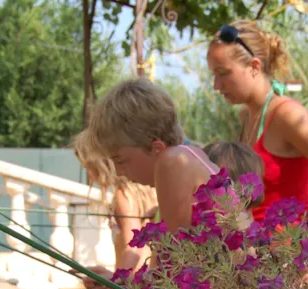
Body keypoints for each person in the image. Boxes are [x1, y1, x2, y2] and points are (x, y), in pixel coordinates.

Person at [207, 20, 308, 240]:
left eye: (223, 73)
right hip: (256, 262)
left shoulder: (286, 115)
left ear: (254, 67)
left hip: (291, 263)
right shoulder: (246, 117)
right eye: (213, 74)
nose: (216, 85)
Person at [87, 78, 219, 233]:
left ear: (155, 148)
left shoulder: (172, 162)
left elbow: (175, 249)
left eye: (120, 160)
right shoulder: (192, 154)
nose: (118, 172)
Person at [72, 130, 156, 273]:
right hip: (144, 279)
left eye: (88, 168)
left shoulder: (123, 195)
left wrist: (117, 286)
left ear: (100, 165)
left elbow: (133, 246)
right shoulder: (141, 190)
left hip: (134, 284)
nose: (89, 175)